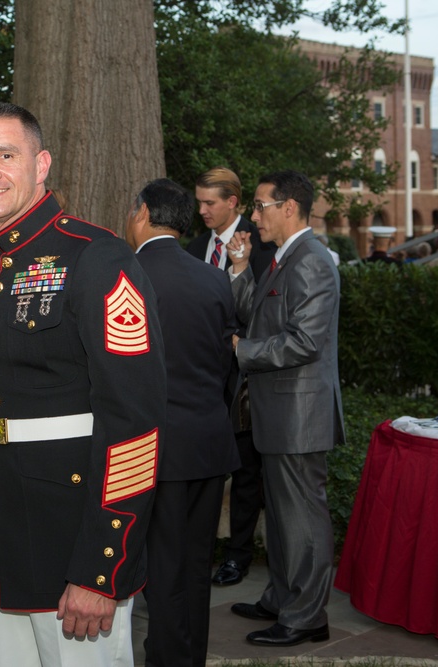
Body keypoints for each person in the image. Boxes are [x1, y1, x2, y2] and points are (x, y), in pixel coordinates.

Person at [0, 102, 166, 666]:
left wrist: (102, 566)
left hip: (73, 537)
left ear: (41, 164)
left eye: (5, 154)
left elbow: (134, 426)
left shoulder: (98, 257)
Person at [225, 170, 344, 647]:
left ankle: (307, 617)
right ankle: (281, 598)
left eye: (258, 206)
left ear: (288, 207)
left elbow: (306, 341)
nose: (252, 217)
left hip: (300, 417)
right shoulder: (282, 257)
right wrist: (239, 269)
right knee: (281, 517)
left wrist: (241, 351)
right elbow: (257, 315)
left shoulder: (311, 260)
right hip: (281, 414)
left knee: (302, 520)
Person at [125, 178, 239, 667]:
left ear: (143, 214)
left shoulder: (128, 275)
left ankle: (167, 659)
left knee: (164, 566)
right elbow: (226, 364)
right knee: (195, 565)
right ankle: (189, 657)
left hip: (155, 447)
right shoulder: (214, 278)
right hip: (210, 442)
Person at [188, 167, 276, 588]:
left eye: (210, 203)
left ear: (233, 204)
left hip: (246, 378)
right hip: (201, 379)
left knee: (245, 472)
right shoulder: (193, 247)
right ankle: (197, 552)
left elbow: (264, 315)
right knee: (202, 469)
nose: (202, 210)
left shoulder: (263, 243)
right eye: (199, 202)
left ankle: (238, 557)